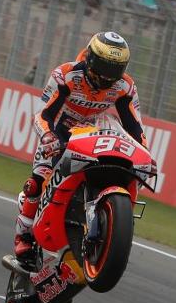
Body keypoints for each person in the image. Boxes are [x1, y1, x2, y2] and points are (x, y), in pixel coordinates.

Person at [13, 32, 146, 266]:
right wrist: (48, 137)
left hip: (91, 134)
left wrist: (142, 156)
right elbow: (43, 114)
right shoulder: (66, 75)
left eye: (115, 69)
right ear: (91, 59)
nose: (108, 75)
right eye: (104, 66)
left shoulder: (125, 86)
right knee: (36, 182)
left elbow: (135, 128)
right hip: (60, 133)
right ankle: (23, 237)